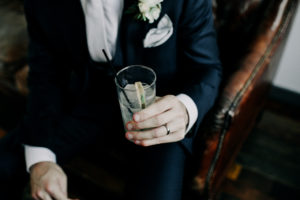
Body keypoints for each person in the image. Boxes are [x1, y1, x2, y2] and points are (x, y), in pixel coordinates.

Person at [0, 0, 222, 199]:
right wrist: (40, 161)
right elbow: (45, 76)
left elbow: (207, 68)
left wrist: (184, 108)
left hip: (157, 113)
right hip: (89, 99)